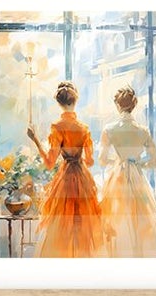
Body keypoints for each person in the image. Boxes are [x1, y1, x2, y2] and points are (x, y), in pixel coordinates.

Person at [26, 82, 104, 257]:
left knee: (62, 226)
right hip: (82, 178)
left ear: (59, 103)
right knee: (82, 226)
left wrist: (35, 140)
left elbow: (49, 163)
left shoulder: (57, 127)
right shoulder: (84, 128)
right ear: (75, 101)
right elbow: (90, 161)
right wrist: (78, 155)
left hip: (65, 179)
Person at [98, 87, 156, 257]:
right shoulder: (143, 130)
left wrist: (118, 161)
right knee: (141, 219)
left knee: (117, 219)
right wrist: (139, 164)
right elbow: (155, 161)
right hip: (137, 178)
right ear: (134, 105)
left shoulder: (109, 129)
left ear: (118, 105)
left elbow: (102, 160)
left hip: (118, 177)